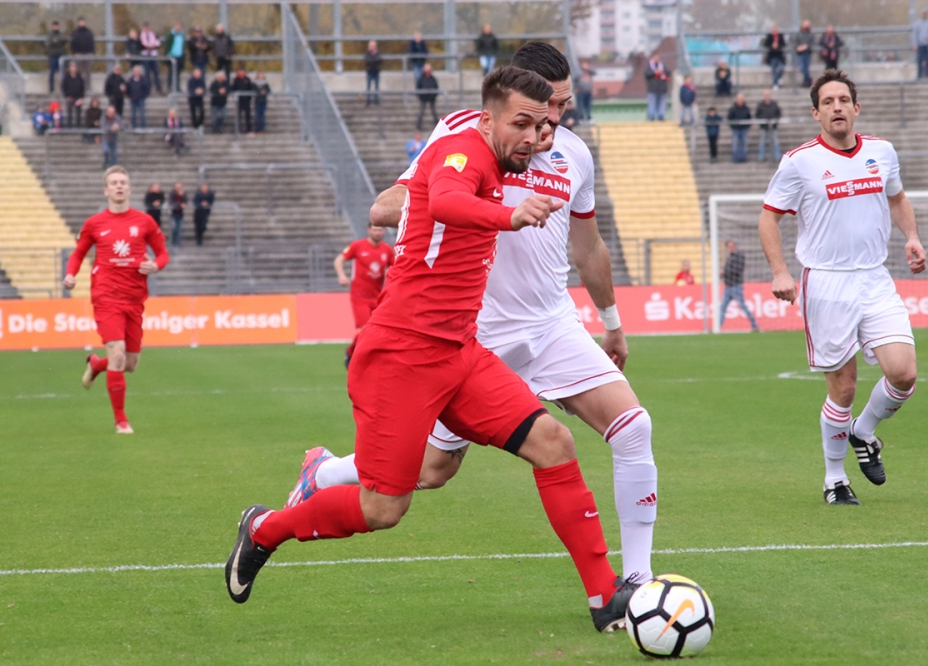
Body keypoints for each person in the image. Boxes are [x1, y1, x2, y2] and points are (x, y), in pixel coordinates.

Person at [227, 66, 639, 635]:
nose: (533, 136)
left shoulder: (506, 160)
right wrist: (508, 216)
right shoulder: (460, 150)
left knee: (554, 442)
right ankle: (265, 529)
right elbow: (444, 202)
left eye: (541, 125)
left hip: (458, 353)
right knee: (383, 509)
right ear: (489, 118)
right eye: (521, 123)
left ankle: (605, 598)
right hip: (399, 357)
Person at [318, 42, 660, 601]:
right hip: (475, 334)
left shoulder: (576, 156)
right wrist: (440, 207)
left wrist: (612, 321)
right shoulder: (465, 133)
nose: (555, 120)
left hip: (552, 324)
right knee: (430, 472)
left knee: (633, 428)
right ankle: (329, 473)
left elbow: (589, 246)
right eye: (547, 108)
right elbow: (395, 201)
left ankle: (638, 582)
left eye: (564, 107)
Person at [759, 69, 925, 505]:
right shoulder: (799, 162)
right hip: (826, 282)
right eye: (827, 101)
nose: (837, 107)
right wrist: (780, 272)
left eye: (843, 100)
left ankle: (863, 430)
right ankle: (835, 479)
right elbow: (769, 217)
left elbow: (897, 198)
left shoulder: (882, 152)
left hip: (874, 277)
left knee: (904, 373)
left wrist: (911, 237)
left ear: (856, 108)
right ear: (816, 113)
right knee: (844, 387)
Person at [64, 166, 169, 435]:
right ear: (106, 190)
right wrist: (70, 275)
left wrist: (155, 266)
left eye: (123, 182)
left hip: (134, 298)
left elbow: (162, 254)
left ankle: (97, 364)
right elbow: (78, 254)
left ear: (129, 189)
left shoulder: (145, 222)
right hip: (106, 296)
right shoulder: (94, 223)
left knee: (129, 364)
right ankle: (121, 421)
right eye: (114, 183)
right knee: (118, 353)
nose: (119, 186)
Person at [334, 223, 394, 366]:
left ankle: (354, 352)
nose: (378, 232)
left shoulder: (386, 249)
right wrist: (342, 276)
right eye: (375, 230)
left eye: (380, 230)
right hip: (359, 296)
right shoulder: (357, 246)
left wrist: (389, 274)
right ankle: (353, 354)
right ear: (368, 230)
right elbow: (339, 260)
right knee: (366, 329)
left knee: (377, 330)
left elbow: (395, 267)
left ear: (384, 231)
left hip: (378, 297)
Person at [718, 240, 759, 331]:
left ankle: (755, 325)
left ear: (734, 246)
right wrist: (722, 274)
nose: (730, 248)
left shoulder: (739, 257)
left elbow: (738, 270)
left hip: (736, 286)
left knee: (743, 307)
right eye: (728, 246)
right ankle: (717, 328)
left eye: (731, 246)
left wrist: (725, 272)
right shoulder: (729, 258)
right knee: (722, 308)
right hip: (728, 287)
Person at [756, 89, 782, 162]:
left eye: (767, 95)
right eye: (765, 95)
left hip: (773, 127)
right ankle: (761, 157)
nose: (766, 96)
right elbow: (757, 115)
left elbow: (778, 113)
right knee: (762, 142)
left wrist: (776, 122)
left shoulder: (774, 104)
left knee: (775, 142)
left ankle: (777, 156)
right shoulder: (760, 105)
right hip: (764, 127)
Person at [70, 17, 95, 89]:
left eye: (83, 21)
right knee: (79, 72)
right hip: (79, 54)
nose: (82, 23)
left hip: (88, 54)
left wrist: (92, 52)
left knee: (88, 72)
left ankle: (88, 87)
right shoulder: (75, 33)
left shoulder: (89, 32)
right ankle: (79, 87)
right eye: (81, 22)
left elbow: (92, 42)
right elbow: (73, 43)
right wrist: (75, 52)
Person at [644, 53, 669, 121]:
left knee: (662, 104)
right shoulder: (649, 66)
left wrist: (662, 71)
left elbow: (668, 72)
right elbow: (646, 73)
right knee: (652, 103)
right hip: (652, 89)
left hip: (662, 89)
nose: (657, 59)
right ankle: (651, 116)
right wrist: (654, 72)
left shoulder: (662, 65)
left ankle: (661, 116)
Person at [139, 22, 163, 94]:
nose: (147, 29)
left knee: (156, 72)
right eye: (145, 27)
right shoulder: (141, 35)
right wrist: (146, 47)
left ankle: (158, 88)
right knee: (147, 73)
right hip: (145, 55)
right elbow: (140, 45)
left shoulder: (153, 34)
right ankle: (148, 89)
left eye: (148, 27)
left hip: (153, 54)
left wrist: (153, 46)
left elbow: (158, 42)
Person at [46, 21, 69, 94]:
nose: (56, 27)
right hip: (53, 55)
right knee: (52, 72)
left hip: (61, 55)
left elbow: (64, 40)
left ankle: (64, 88)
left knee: (63, 72)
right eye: (54, 26)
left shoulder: (61, 34)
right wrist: (55, 41)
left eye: (57, 26)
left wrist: (57, 40)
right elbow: (48, 43)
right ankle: (51, 88)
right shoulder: (50, 34)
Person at [727, 93, 751, 163]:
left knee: (744, 143)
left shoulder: (746, 108)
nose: (740, 101)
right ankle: (735, 157)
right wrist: (733, 126)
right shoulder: (733, 109)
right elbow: (730, 118)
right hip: (736, 129)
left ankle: (743, 157)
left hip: (744, 129)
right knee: (735, 143)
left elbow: (749, 118)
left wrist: (746, 126)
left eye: (741, 99)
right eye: (739, 99)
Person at [61, 62, 86, 128]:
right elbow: (64, 87)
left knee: (78, 112)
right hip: (69, 97)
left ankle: (78, 125)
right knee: (69, 111)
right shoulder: (66, 77)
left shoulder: (79, 77)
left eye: (74, 67)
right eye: (72, 67)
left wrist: (82, 97)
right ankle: (69, 125)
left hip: (78, 97)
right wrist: (66, 96)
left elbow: (82, 87)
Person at [791, 19, 815, 87]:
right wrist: (799, 48)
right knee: (801, 68)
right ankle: (810, 80)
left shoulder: (810, 34)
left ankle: (806, 82)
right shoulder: (798, 34)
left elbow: (812, 44)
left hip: (807, 53)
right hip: (800, 54)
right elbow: (795, 43)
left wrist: (806, 46)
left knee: (806, 68)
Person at [416, 63, 439, 130]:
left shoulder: (432, 78)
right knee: (421, 111)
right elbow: (418, 87)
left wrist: (433, 95)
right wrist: (421, 95)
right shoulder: (422, 78)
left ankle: (436, 124)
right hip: (424, 97)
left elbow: (436, 87)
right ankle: (419, 125)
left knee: (434, 111)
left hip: (431, 97)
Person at [913, 9, 928, 79]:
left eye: (925, 13)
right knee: (920, 60)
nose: (924, 15)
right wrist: (915, 44)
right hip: (920, 44)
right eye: (923, 13)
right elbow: (915, 34)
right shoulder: (917, 23)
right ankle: (919, 75)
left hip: (927, 44)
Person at [231, 69, 254, 134]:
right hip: (239, 101)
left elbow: (251, 89)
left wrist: (248, 98)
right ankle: (237, 130)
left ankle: (249, 130)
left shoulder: (247, 79)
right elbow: (233, 88)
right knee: (238, 116)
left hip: (246, 101)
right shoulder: (236, 80)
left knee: (248, 116)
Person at [165, 23, 186, 92]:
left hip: (179, 56)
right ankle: (169, 87)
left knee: (178, 73)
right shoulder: (171, 35)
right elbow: (167, 45)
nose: (178, 28)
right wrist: (168, 53)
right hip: (172, 56)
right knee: (171, 72)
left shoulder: (181, 35)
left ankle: (177, 87)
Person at [168, 182, 188, 246]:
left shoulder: (183, 193)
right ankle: (173, 241)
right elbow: (172, 202)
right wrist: (180, 204)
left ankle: (177, 242)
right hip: (173, 213)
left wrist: (182, 196)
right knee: (174, 228)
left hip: (180, 213)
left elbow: (185, 202)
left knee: (179, 228)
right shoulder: (172, 193)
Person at [364, 40, 383, 106]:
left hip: (376, 71)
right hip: (369, 71)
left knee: (376, 87)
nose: (371, 47)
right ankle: (368, 100)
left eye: (373, 46)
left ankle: (376, 99)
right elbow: (367, 60)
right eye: (370, 46)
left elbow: (379, 60)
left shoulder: (378, 53)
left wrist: (373, 60)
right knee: (368, 86)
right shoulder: (367, 53)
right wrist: (374, 60)